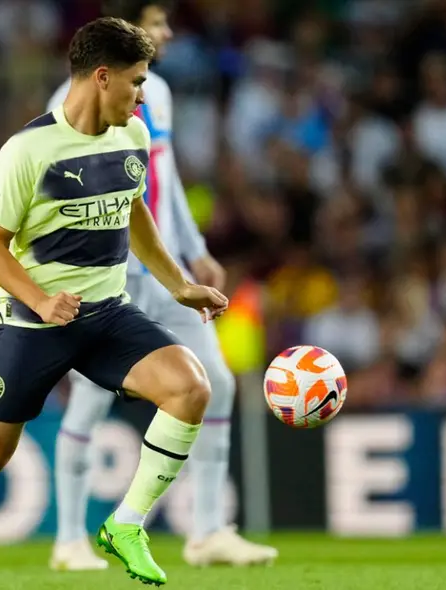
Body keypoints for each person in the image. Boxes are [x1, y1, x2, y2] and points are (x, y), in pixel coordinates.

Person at [0, 18, 227, 589]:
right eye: (136, 82)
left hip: (108, 314)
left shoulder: (131, 134)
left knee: (192, 387)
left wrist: (177, 283)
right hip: (34, 324)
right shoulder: (27, 149)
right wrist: (40, 301)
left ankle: (126, 526)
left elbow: (134, 210)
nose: (143, 96)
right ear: (102, 77)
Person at [45, 0, 279, 570]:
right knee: (93, 402)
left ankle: (207, 532)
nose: (168, 33)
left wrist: (194, 250)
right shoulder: (66, 105)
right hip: (109, 278)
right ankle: (69, 540)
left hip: (166, 273)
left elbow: (163, 177)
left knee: (216, 383)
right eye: (155, 23)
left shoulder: (159, 93)